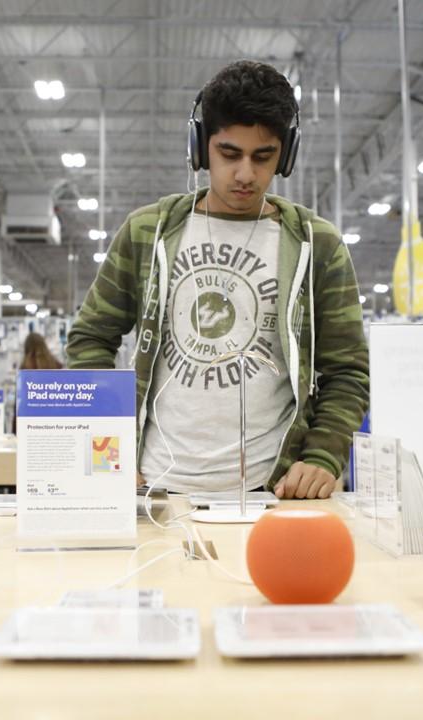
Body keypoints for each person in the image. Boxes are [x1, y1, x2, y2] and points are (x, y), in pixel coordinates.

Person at [67, 60, 369, 500]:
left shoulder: (315, 244)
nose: (246, 174)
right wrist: (105, 450)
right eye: (229, 154)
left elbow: (347, 371)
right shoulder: (147, 232)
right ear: (199, 147)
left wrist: (322, 457)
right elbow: (90, 340)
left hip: (274, 493)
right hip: (153, 492)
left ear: (285, 156)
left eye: (262, 157)